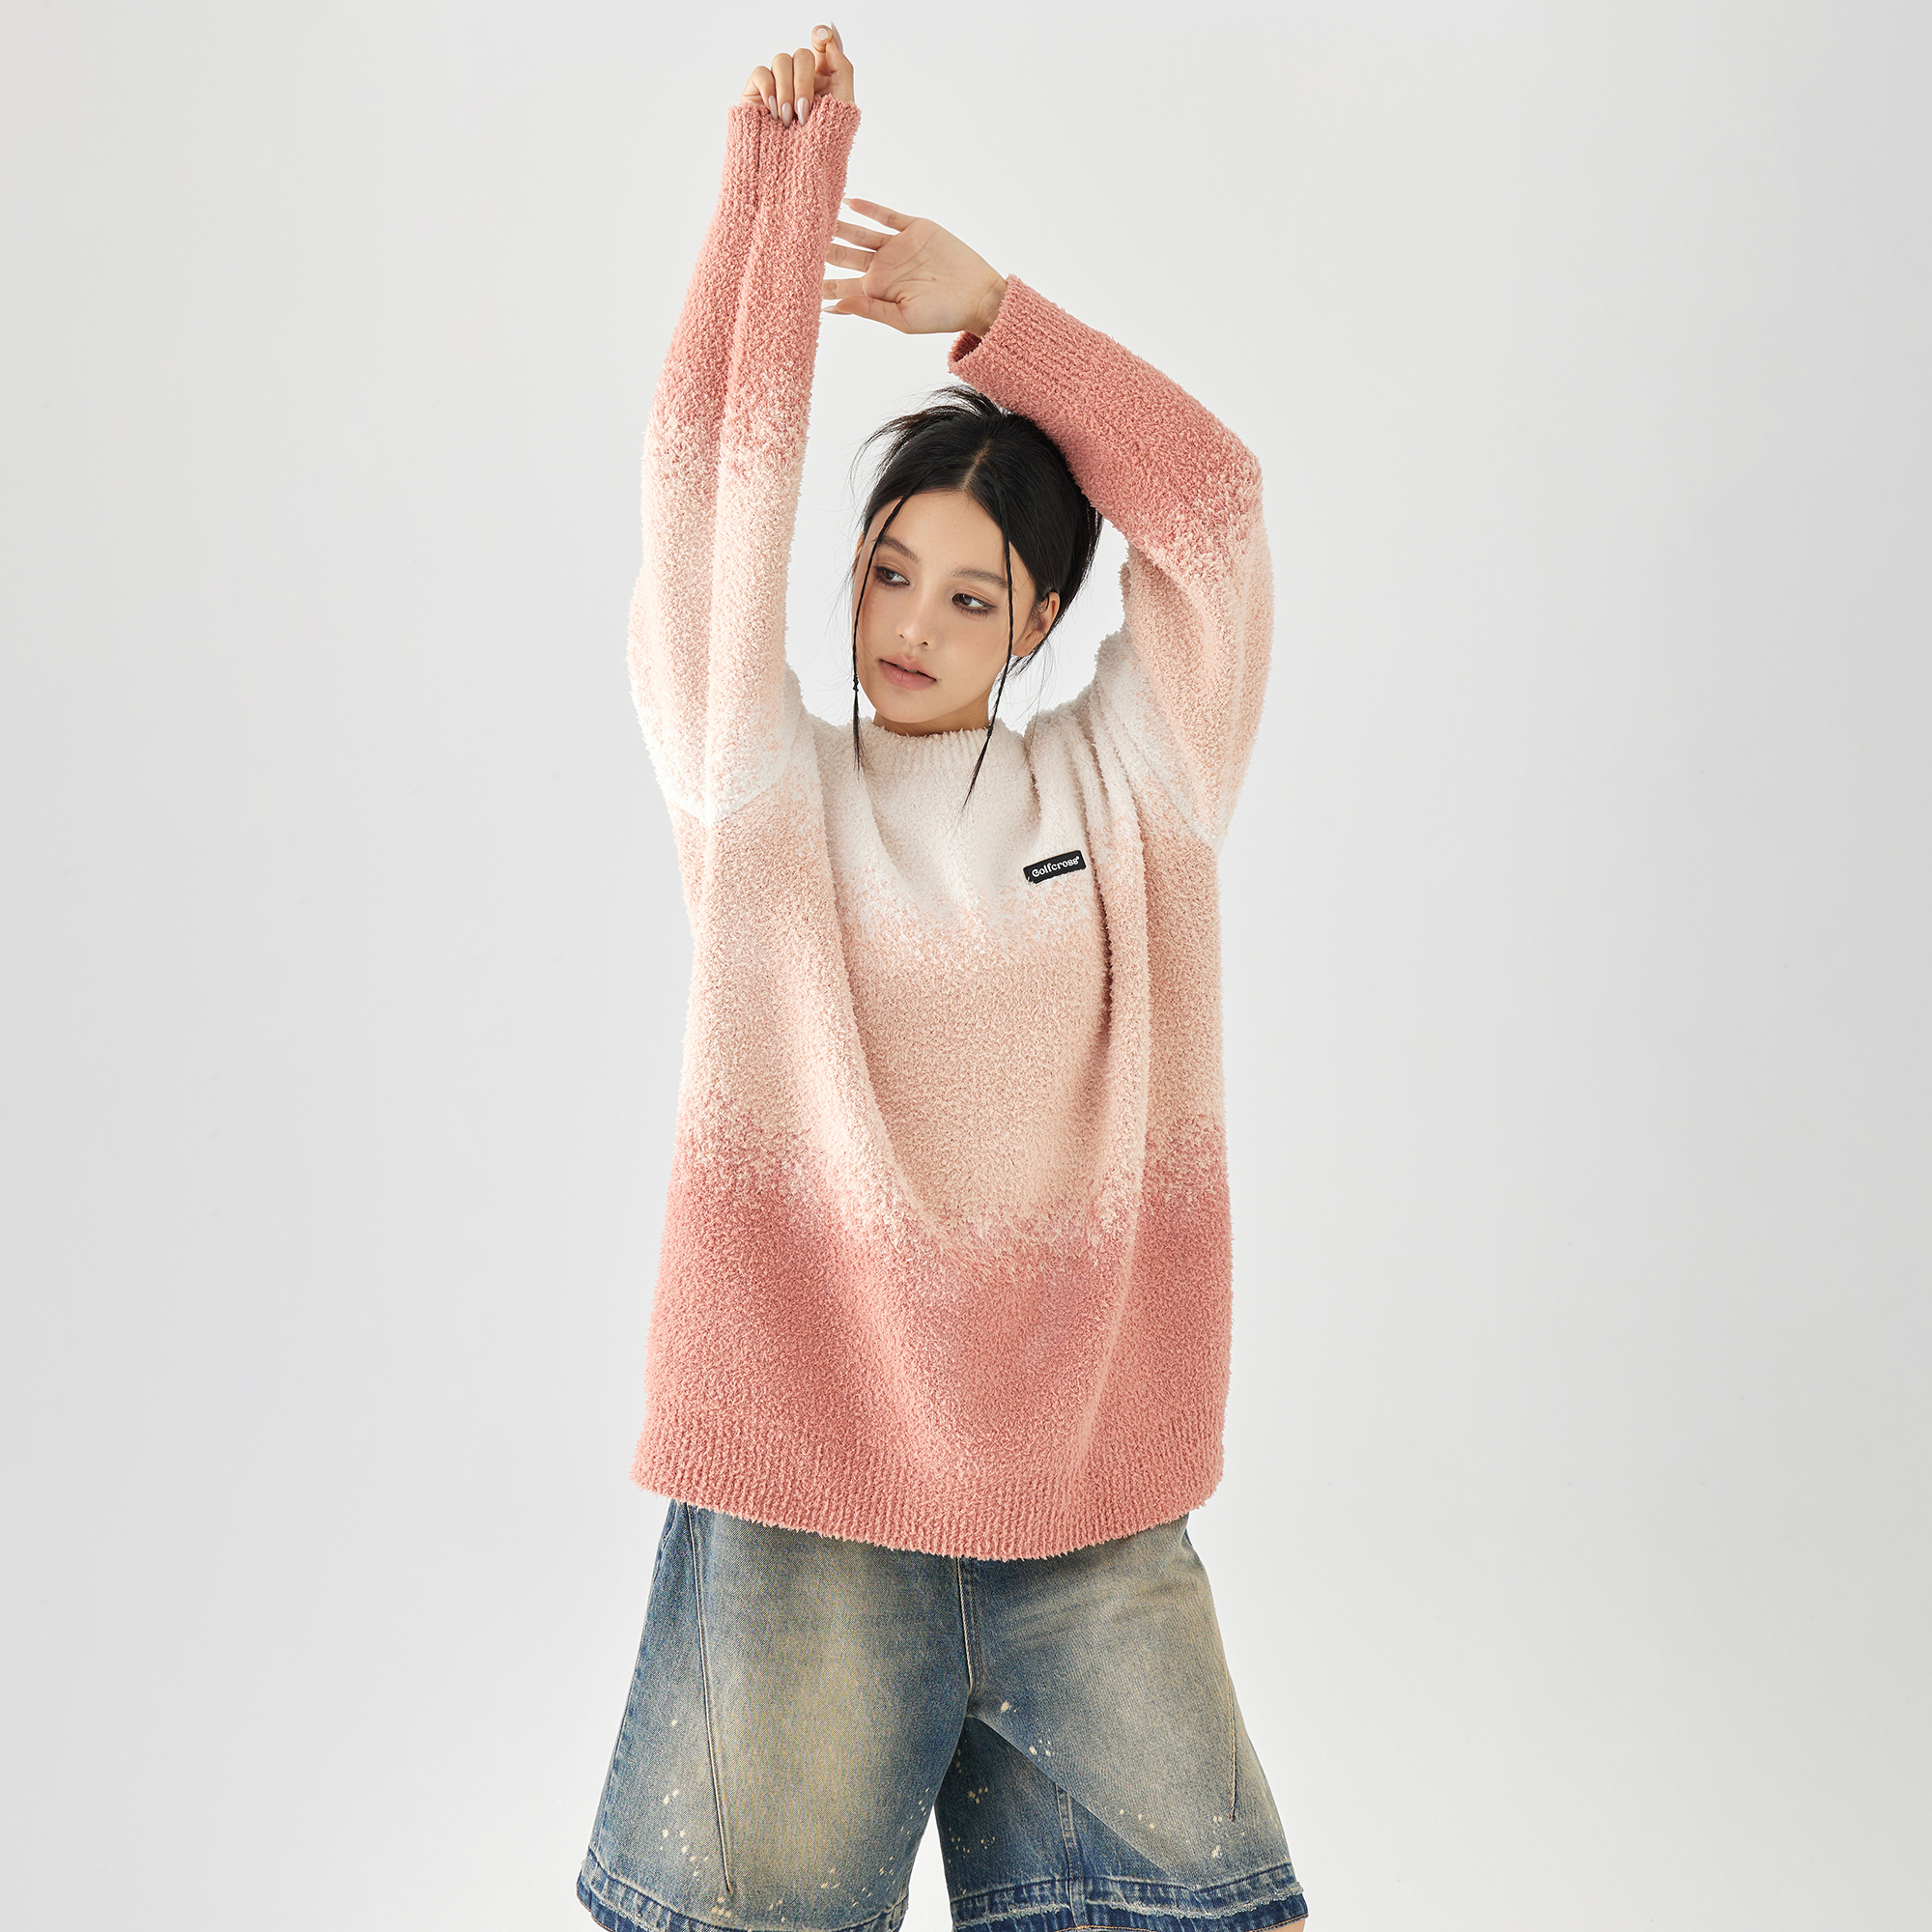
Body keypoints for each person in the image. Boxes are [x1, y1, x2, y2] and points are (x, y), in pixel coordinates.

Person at [576, 25, 1309, 1932]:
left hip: (1087, 1515)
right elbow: (696, 523)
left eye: (970, 594)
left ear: (1042, 618)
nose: (908, 623)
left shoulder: (1128, 788)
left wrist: (999, 322)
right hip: (804, 1510)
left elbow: (1217, 511)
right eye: (888, 570)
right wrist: (772, 200)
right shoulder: (765, 795)